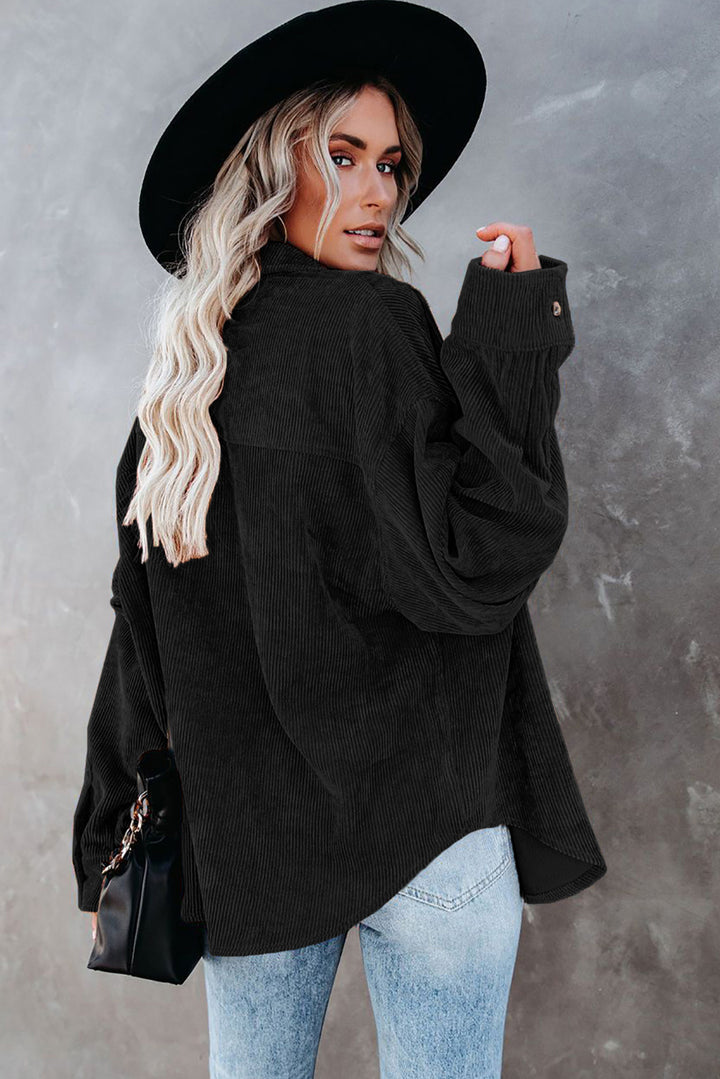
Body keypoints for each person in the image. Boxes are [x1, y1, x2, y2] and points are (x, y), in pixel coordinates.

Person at [73, 4, 606, 1076]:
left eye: (391, 165)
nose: (377, 194)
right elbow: (482, 554)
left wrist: (107, 837)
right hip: (431, 824)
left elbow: (144, 633)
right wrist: (509, 329)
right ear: (272, 173)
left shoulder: (180, 383)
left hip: (253, 840)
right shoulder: (376, 326)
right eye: (344, 157)